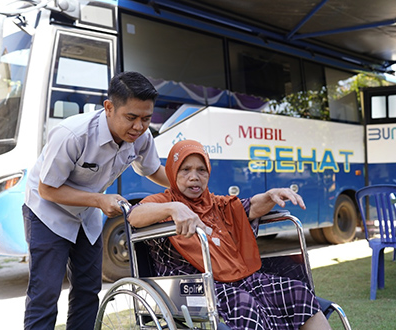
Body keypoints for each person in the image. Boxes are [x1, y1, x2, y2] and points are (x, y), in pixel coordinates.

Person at [128, 139, 331, 330]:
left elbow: (248, 207)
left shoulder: (215, 203)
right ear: (172, 173)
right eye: (185, 170)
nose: (194, 177)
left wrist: (270, 196)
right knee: (245, 304)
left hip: (235, 277)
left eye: (201, 170)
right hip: (193, 286)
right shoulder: (163, 201)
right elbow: (134, 216)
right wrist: (173, 209)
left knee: (297, 292)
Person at [22, 71, 169, 329]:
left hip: (86, 214)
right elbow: (47, 189)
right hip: (47, 213)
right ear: (109, 108)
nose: (139, 127)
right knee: (45, 295)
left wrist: (190, 187)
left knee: (88, 291)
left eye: (146, 119)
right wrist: (100, 200)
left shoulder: (141, 137)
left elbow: (153, 170)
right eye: (131, 117)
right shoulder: (73, 134)